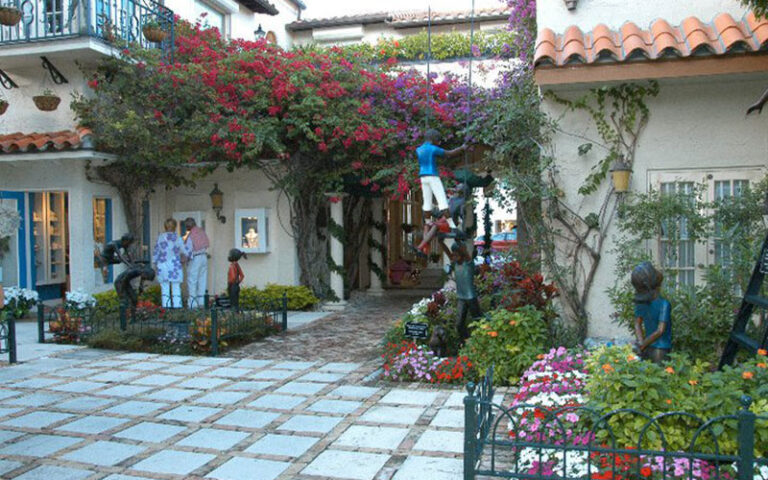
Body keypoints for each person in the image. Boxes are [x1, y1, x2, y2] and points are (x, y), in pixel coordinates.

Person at [417, 129, 468, 229]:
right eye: (438, 140)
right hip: (432, 176)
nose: (439, 143)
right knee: (442, 200)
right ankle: (451, 224)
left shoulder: (419, 149)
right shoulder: (433, 148)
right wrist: (462, 148)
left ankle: (427, 221)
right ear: (433, 139)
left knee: (427, 200)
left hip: (423, 176)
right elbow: (449, 154)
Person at [439, 239, 481, 344]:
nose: (454, 256)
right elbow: (448, 252)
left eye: (456, 254)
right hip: (461, 297)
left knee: (478, 320)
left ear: (461, 254)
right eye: (453, 255)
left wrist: (459, 242)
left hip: (471, 298)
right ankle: (465, 342)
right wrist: (441, 242)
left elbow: (465, 252)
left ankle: (480, 341)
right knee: (459, 324)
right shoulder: (455, 264)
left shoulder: (468, 263)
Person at [631, 262, 672, 364]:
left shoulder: (640, 303)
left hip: (647, 348)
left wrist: (642, 343)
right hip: (661, 349)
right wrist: (643, 344)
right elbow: (660, 331)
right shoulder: (664, 304)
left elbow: (637, 324)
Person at [153, 218, 190, 309]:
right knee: (176, 287)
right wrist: (188, 257)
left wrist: (155, 263)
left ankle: (166, 307)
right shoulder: (177, 238)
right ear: (175, 226)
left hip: (163, 265)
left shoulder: (161, 237)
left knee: (165, 288)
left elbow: (156, 252)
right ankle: (177, 307)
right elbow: (185, 251)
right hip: (175, 265)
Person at [183, 217, 210, 309]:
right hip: (203, 256)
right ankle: (202, 302)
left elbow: (188, 250)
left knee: (192, 280)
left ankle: (193, 304)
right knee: (202, 279)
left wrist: (183, 260)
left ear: (188, 226)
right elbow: (207, 244)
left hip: (195, 258)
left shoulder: (191, 235)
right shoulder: (201, 231)